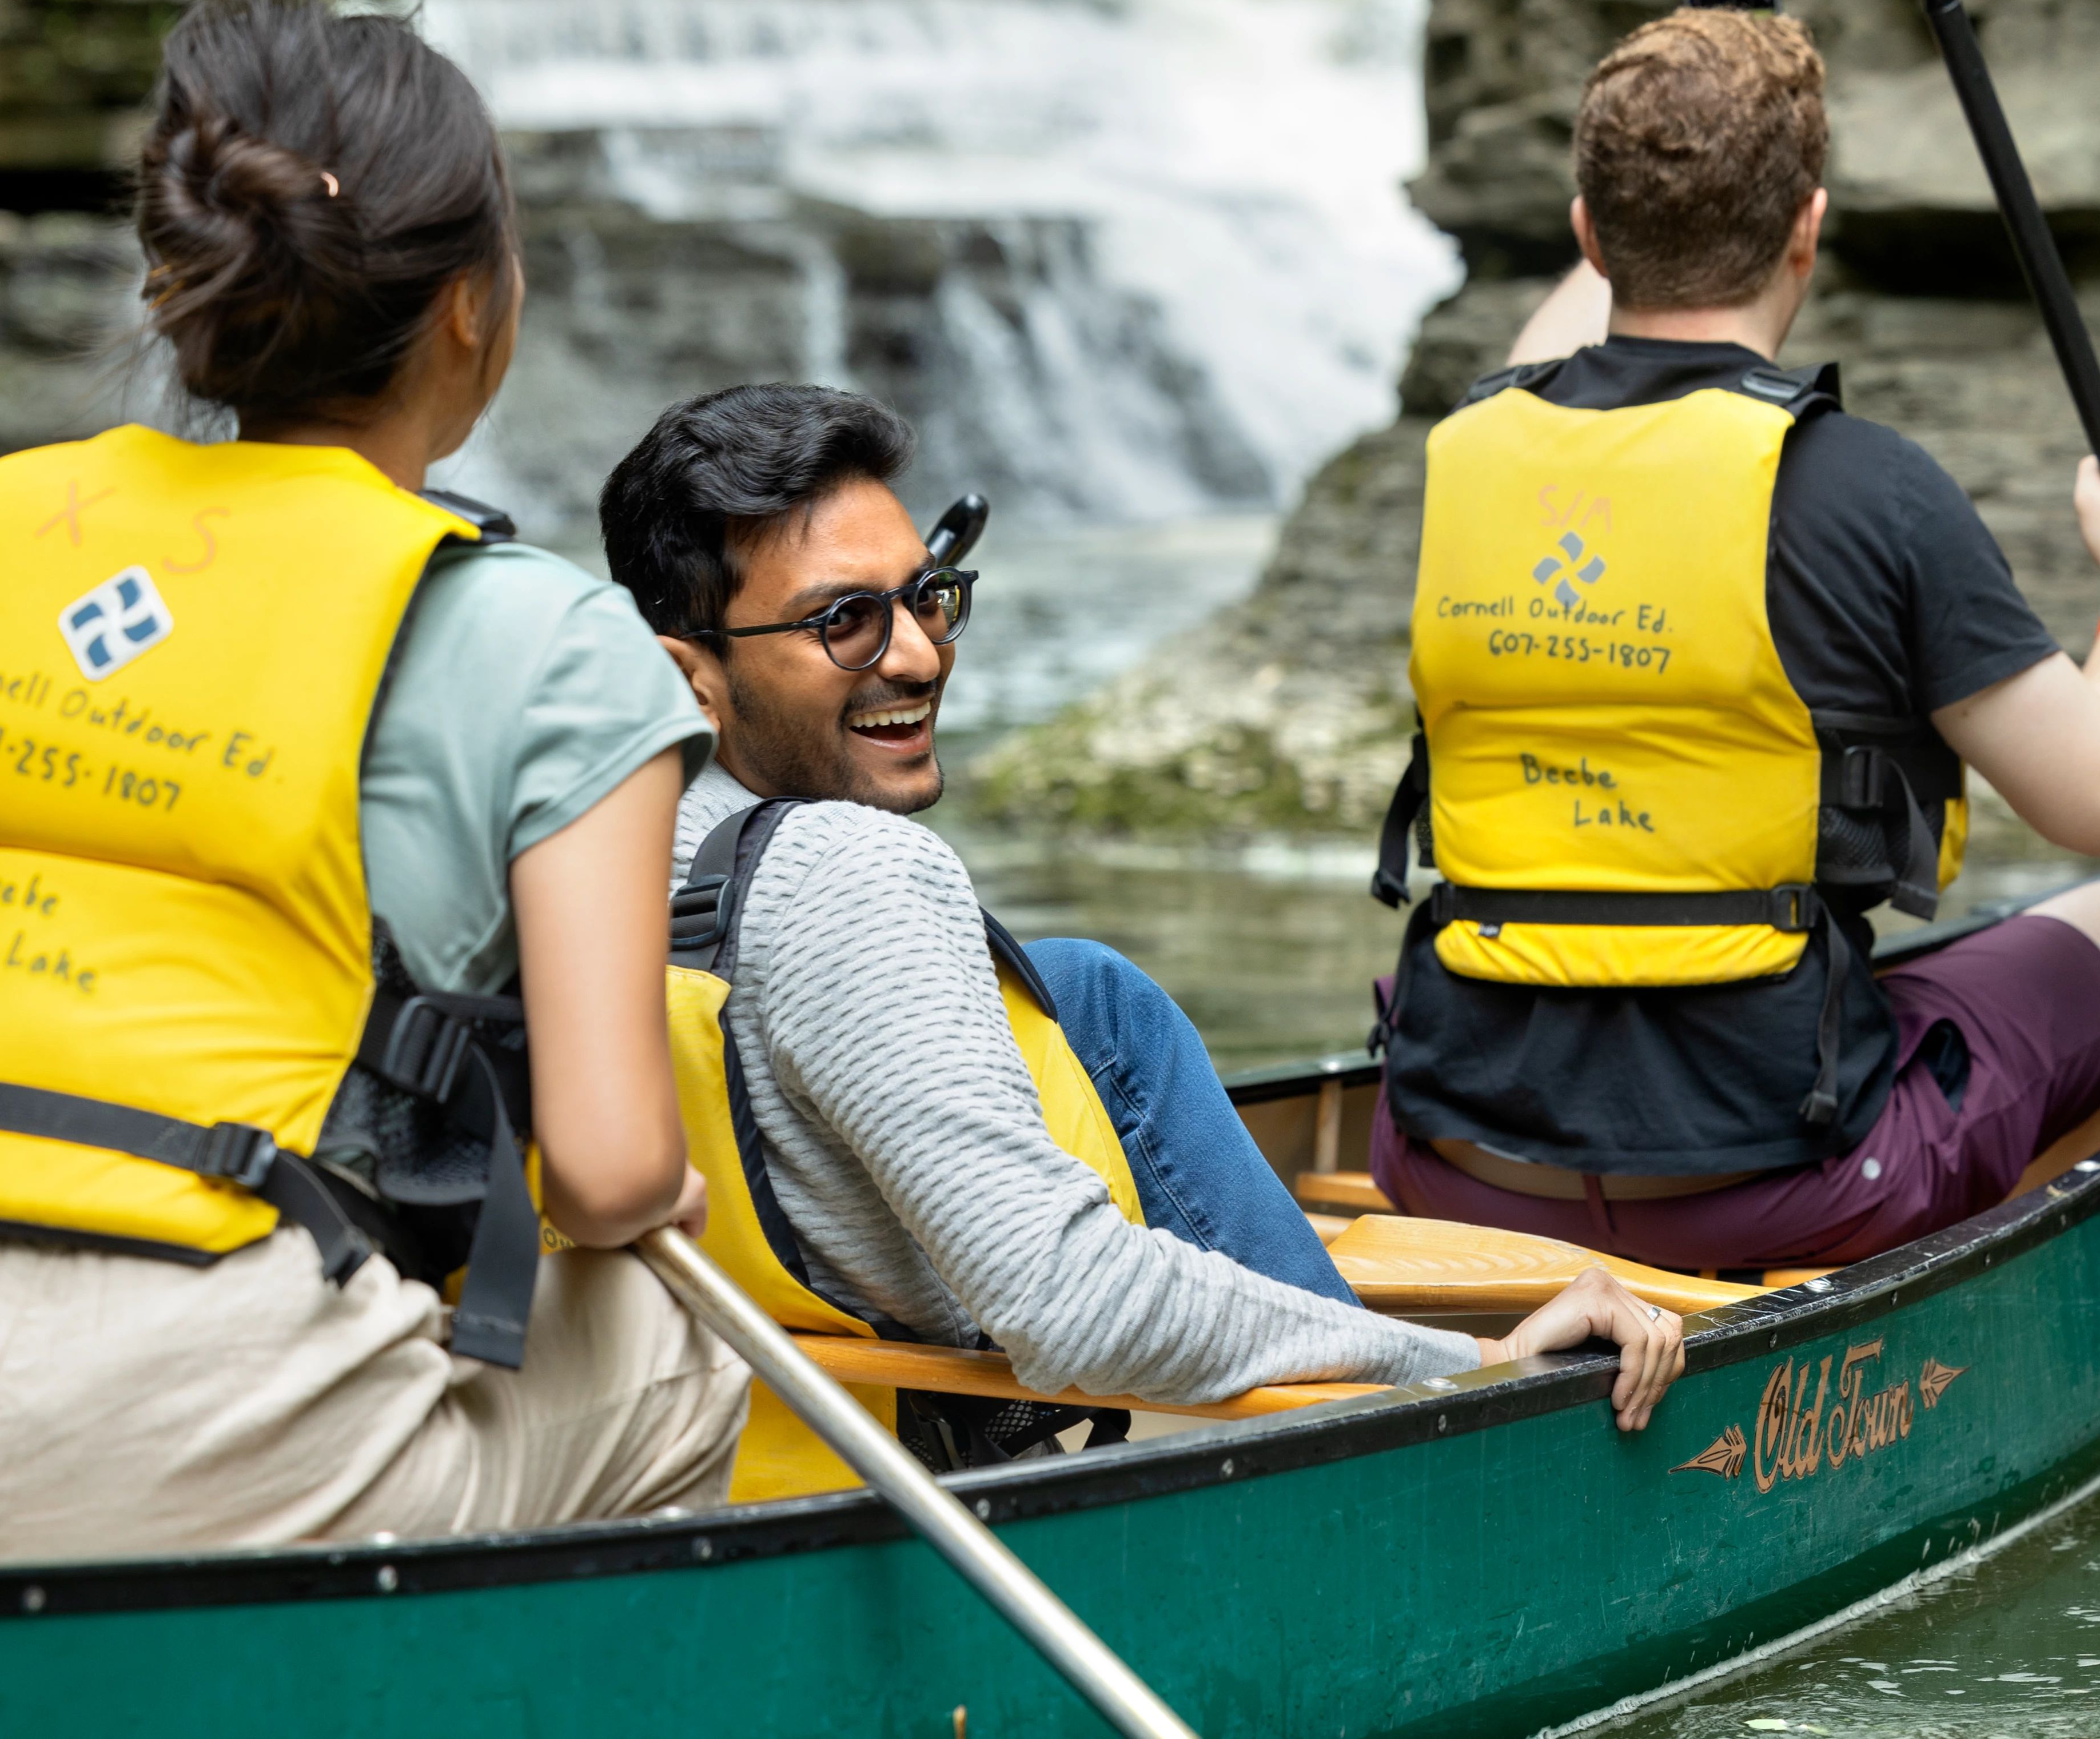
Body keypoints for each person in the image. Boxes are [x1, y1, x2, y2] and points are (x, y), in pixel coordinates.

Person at [0, 0, 746, 1561]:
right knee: (679, 1341)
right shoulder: (559, 641)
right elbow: (604, 1168)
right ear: (474, 306)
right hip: (217, 1425)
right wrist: (655, 1211)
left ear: (189, 291)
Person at [600, 383, 1685, 1498]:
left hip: (724, 1404)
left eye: (926, 598)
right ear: (693, 672)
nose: (920, 658)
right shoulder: (860, 879)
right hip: (905, 1440)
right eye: (845, 622)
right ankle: (1391, 1449)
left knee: (1082, 991)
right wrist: (1457, 1363)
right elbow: (1074, 1305)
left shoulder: (588, 840)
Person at [1368, 6, 2100, 1272]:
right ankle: (1935, 1272)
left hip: (1453, 1165)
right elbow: (2097, 796)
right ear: (1806, 234)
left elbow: (1546, 348)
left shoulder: (1475, 449)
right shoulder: (1869, 488)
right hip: (1779, 1182)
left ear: (1588, 237)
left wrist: (1653, 145)